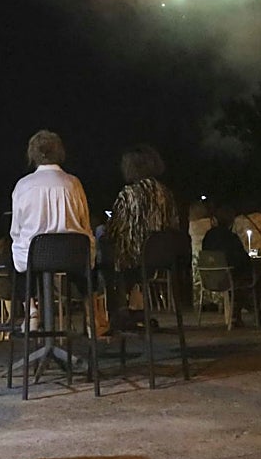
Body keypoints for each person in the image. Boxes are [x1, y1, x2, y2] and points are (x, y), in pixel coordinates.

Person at [103, 144, 178, 329]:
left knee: (108, 256)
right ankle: (136, 308)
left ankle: (119, 310)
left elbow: (114, 228)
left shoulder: (128, 194)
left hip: (135, 255)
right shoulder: (166, 193)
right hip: (163, 255)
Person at [9, 130, 94, 275]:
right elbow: (85, 224)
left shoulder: (23, 185)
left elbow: (16, 231)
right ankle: (80, 294)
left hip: (33, 258)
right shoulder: (73, 183)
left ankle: (28, 296)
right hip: (73, 256)